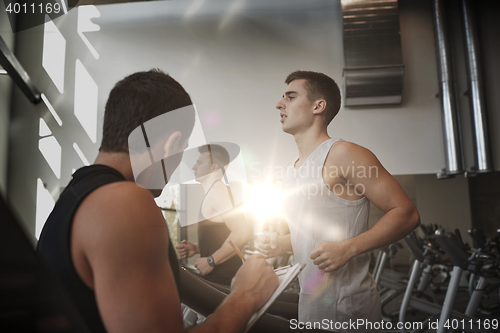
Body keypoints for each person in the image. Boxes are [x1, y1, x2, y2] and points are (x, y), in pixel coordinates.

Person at [37, 69, 278, 333]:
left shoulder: (78, 195)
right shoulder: (123, 203)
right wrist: (246, 295)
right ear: (171, 144)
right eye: (183, 153)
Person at [256, 71, 420, 332]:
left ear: (318, 106)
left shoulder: (343, 153)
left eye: (290, 97)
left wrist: (348, 248)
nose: (279, 104)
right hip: (311, 300)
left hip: (348, 305)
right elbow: (313, 235)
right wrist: (280, 244)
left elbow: (407, 213)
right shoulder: (291, 169)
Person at [176, 144, 251, 285]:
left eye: (199, 162)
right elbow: (221, 234)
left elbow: (242, 232)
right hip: (219, 278)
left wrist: (211, 260)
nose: (194, 167)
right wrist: (197, 248)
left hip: (224, 279)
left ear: (213, 167)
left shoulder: (218, 191)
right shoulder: (214, 192)